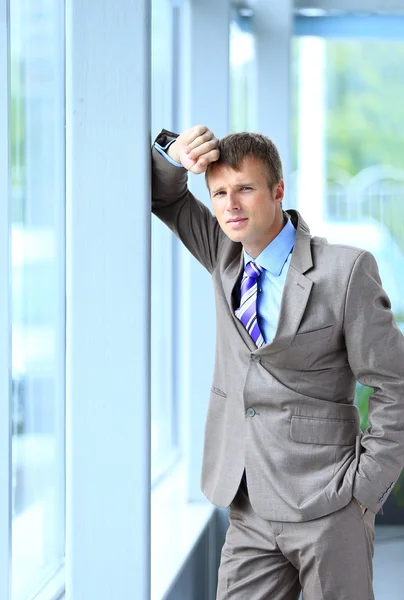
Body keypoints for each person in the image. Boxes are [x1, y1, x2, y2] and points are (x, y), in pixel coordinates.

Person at [151, 125, 404, 600]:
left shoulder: (345, 271)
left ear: (277, 191)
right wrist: (174, 153)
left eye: (245, 189)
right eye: (220, 192)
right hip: (247, 504)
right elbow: (166, 199)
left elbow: (395, 384)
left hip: (329, 502)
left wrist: (364, 492)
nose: (231, 205)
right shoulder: (223, 253)